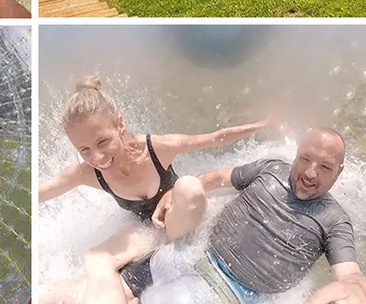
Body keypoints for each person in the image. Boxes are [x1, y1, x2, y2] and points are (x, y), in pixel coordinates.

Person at [37, 77, 274, 303]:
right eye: (84, 150)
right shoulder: (88, 173)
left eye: (103, 142)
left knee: (188, 187)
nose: (97, 157)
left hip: (183, 217)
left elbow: (215, 138)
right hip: (150, 233)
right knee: (96, 258)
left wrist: (263, 125)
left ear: (120, 124)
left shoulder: (154, 149)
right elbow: (42, 192)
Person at [92, 129, 365, 304]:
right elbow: (220, 177)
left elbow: (349, 276)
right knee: (104, 287)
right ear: (296, 155)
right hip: (192, 254)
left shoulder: (333, 220)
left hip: (226, 293)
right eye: (305, 159)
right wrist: (172, 193)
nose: (310, 173)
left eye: (325, 167)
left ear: (338, 172)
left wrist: (354, 290)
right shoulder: (271, 168)